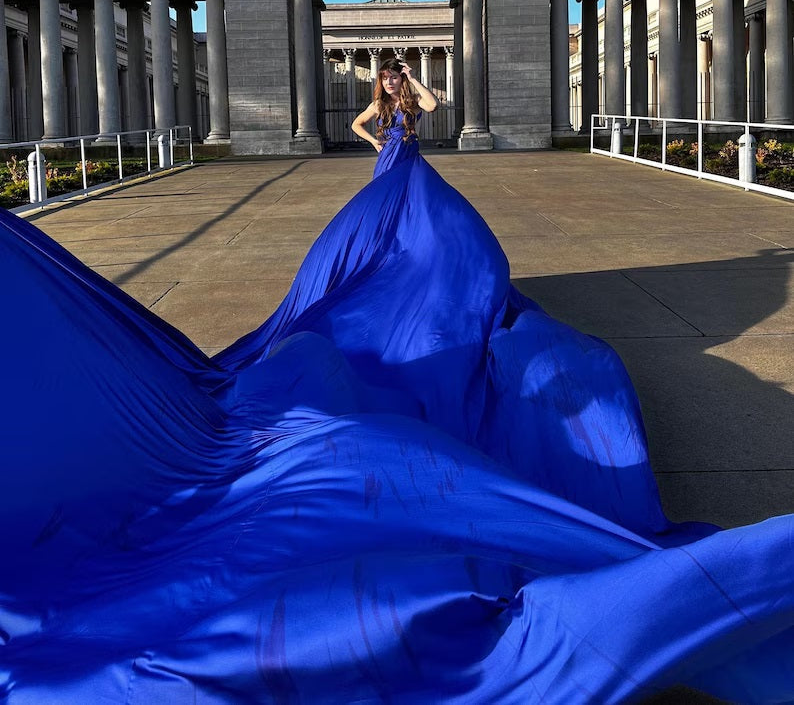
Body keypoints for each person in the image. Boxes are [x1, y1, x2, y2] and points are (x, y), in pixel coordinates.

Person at [1, 59, 794, 704]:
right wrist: (375, 124)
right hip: (391, 167)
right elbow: (356, 124)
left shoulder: (411, 98)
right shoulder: (377, 116)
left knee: (434, 246)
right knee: (384, 270)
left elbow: (442, 102)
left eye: (388, 81)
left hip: (410, 164)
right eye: (386, 82)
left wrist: (418, 91)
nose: (387, 88)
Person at [351, 58, 438, 177]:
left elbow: (433, 105)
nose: (389, 83)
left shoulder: (413, 101)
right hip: (387, 157)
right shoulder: (378, 104)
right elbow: (356, 124)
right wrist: (373, 141)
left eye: (394, 77)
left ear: (402, 79)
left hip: (408, 156)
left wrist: (413, 79)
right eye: (385, 78)